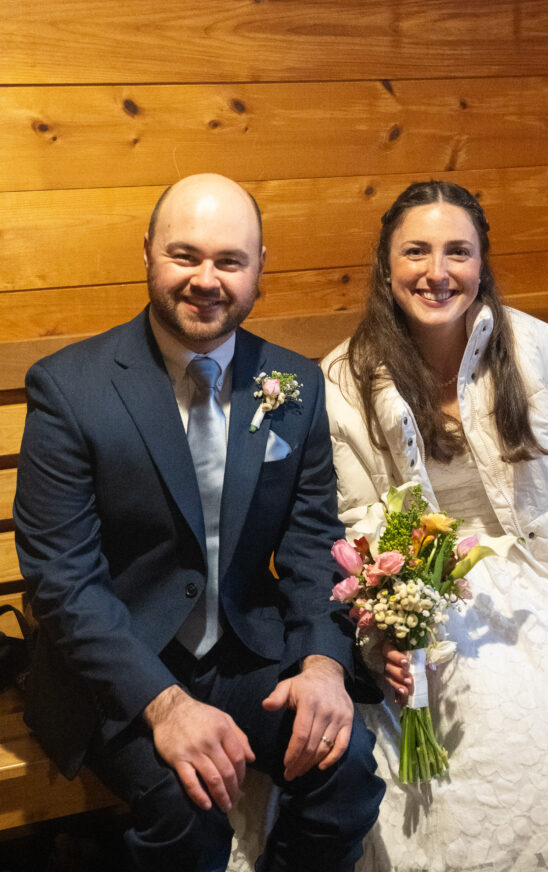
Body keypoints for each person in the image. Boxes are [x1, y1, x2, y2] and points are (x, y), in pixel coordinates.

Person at [14, 173, 384, 872]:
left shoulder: (294, 384)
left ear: (259, 267)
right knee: (188, 806)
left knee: (346, 770)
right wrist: (164, 705)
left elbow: (313, 544)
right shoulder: (69, 388)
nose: (205, 280)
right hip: (118, 666)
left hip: (246, 649)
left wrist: (321, 666)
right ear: (147, 252)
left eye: (229, 261)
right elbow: (63, 581)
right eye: (184, 255)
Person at [322, 180, 548, 872]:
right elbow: (354, 517)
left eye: (457, 252)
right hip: (428, 593)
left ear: (481, 263)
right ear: (386, 266)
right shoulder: (346, 377)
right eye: (416, 252)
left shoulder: (533, 347)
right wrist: (387, 628)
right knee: (467, 734)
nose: (437, 272)